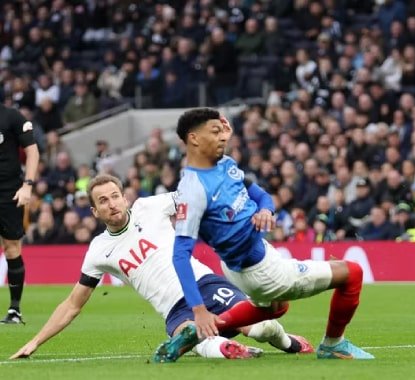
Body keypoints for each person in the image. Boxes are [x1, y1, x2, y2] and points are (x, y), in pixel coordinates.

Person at [9, 174, 313, 361]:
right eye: (103, 201)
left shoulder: (150, 206)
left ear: (125, 198)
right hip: (174, 311)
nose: (112, 203)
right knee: (191, 335)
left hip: (204, 284)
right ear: (95, 211)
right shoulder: (99, 251)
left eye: (115, 196)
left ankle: (288, 343)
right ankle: (227, 350)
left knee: (260, 329)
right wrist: (35, 341)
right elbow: (72, 305)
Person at [164, 107, 373, 361]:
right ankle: (333, 345)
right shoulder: (192, 190)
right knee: (352, 273)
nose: (222, 137)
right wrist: (198, 310)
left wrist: (265, 210)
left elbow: (262, 196)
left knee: (276, 307)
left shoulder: (224, 165)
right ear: (194, 139)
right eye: (215, 132)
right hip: (260, 271)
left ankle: (204, 330)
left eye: (223, 131)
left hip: (246, 262)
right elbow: (180, 255)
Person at [0, 104, 40, 324]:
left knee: (12, 247)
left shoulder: (11, 116)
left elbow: (32, 151)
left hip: (8, 192)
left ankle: (15, 310)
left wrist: (28, 185)